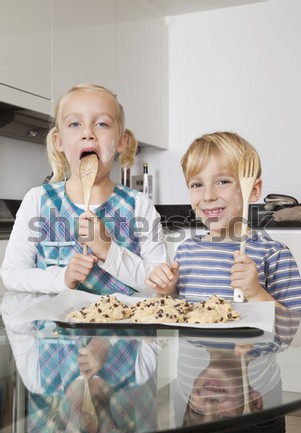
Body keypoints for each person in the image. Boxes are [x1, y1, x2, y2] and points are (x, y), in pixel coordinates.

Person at [2, 83, 167, 294]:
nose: (88, 133)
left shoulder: (138, 206)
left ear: (121, 141)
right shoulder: (38, 201)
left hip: (122, 326)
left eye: (102, 124)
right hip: (51, 327)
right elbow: (12, 275)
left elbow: (159, 286)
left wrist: (109, 251)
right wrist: (63, 278)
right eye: (74, 124)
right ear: (58, 141)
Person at [145, 131, 301, 310]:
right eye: (197, 185)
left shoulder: (273, 255)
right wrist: (167, 292)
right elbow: (179, 314)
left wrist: (256, 293)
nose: (208, 196)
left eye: (223, 182)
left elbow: (294, 328)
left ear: (253, 190)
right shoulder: (186, 252)